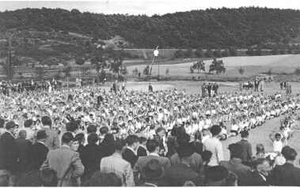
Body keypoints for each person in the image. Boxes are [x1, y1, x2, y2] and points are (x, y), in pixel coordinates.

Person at [0, 121, 18, 186]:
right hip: (9, 164)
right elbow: (12, 152)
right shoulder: (10, 138)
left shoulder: (3, 136)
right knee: (10, 182)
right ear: (12, 128)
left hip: (3, 162)